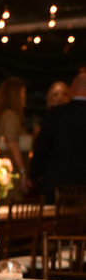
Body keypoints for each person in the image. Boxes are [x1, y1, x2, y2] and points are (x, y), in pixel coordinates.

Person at [30, 72, 86, 200]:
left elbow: (42, 148)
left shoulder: (55, 114)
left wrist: (33, 175)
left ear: (72, 89)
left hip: (57, 185)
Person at [0, 76, 31, 193]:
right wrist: (23, 171)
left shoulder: (4, 115)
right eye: (23, 93)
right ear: (15, 95)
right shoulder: (10, 116)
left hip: (6, 172)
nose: (25, 97)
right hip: (11, 174)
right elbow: (12, 143)